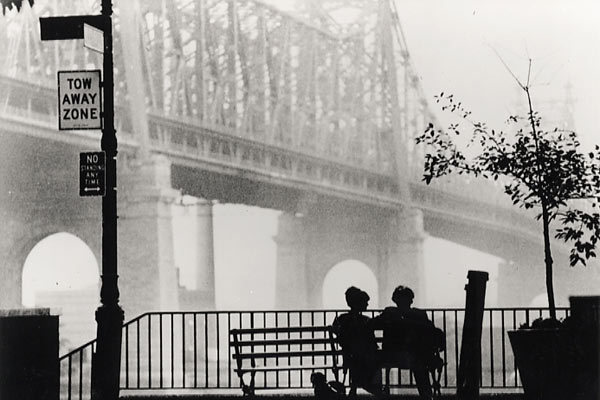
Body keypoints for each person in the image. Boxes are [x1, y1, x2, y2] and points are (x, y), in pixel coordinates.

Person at [370, 286, 440, 400]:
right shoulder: (419, 315)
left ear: (395, 300)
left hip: (392, 355)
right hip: (416, 355)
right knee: (420, 365)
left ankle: (379, 392)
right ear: (411, 300)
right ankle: (426, 395)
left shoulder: (389, 313)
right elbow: (431, 331)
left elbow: (373, 324)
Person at [331, 287, 382, 397]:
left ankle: (355, 387)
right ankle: (372, 387)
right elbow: (371, 341)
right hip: (364, 355)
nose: (367, 304)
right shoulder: (365, 320)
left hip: (349, 354)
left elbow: (337, 333)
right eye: (365, 302)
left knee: (356, 358)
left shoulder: (342, 318)